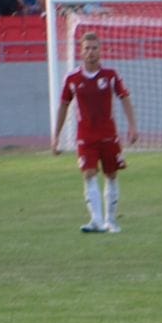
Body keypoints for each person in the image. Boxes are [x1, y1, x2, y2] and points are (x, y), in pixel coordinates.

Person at [52, 31, 139, 233]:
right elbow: (63, 106)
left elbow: (124, 98)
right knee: (89, 173)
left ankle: (111, 221)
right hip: (85, 136)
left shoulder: (110, 75)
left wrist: (133, 126)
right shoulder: (72, 78)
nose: (91, 52)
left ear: (100, 50)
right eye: (87, 49)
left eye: (94, 48)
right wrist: (56, 136)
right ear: (81, 52)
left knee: (111, 174)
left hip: (109, 135)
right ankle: (96, 221)